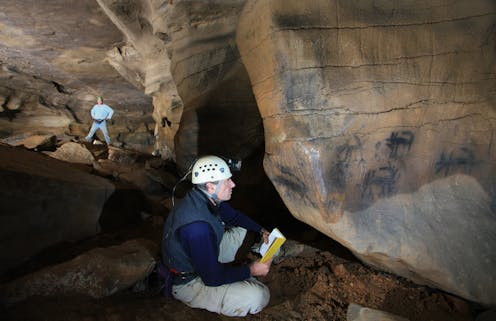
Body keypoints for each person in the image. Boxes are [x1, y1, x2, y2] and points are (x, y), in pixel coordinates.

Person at [161, 155, 273, 317]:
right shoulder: (197, 228)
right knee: (259, 296)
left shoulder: (203, 197)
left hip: (200, 252)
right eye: (227, 181)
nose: (233, 184)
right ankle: (238, 280)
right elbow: (211, 278)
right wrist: (251, 270)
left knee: (245, 230)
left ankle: (233, 273)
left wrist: (261, 230)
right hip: (189, 281)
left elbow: (234, 217)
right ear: (211, 187)